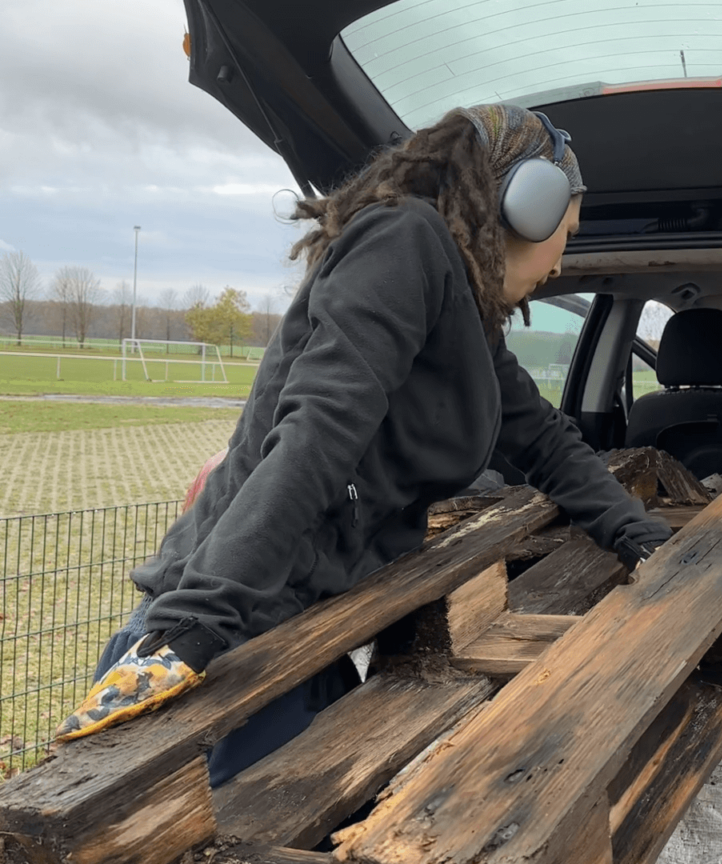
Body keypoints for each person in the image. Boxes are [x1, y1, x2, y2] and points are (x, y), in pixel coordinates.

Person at [55, 104, 673, 775]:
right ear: (529, 205)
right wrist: (197, 626)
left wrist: (642, 540)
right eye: (569, 232)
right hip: (227, 639)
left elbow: (545, 441)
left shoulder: (462, 317)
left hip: (302, 635)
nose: (562, 259)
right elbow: (320, 430)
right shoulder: (403, 241)